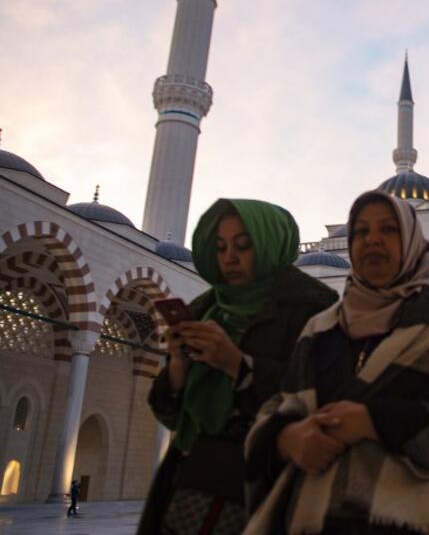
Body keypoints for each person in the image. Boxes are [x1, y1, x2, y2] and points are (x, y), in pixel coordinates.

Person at [242, 191, 429, 534]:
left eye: (388, 229)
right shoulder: (320, 328)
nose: (372, 239)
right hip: (316, 518)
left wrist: (372, 421)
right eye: (360, 232)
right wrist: (287, 437)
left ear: (410, 241)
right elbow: (278, 405)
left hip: (419, 521)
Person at [137, 199, 338, 534]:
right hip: (189, 484)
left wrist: (238, 364)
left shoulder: (313, 311)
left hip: (263, 486)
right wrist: (178, 363)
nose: (230, 257)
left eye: (244, 245)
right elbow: (170, 413)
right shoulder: (206, 309)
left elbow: (320, 396)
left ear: (270, 245)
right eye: (220, 247)